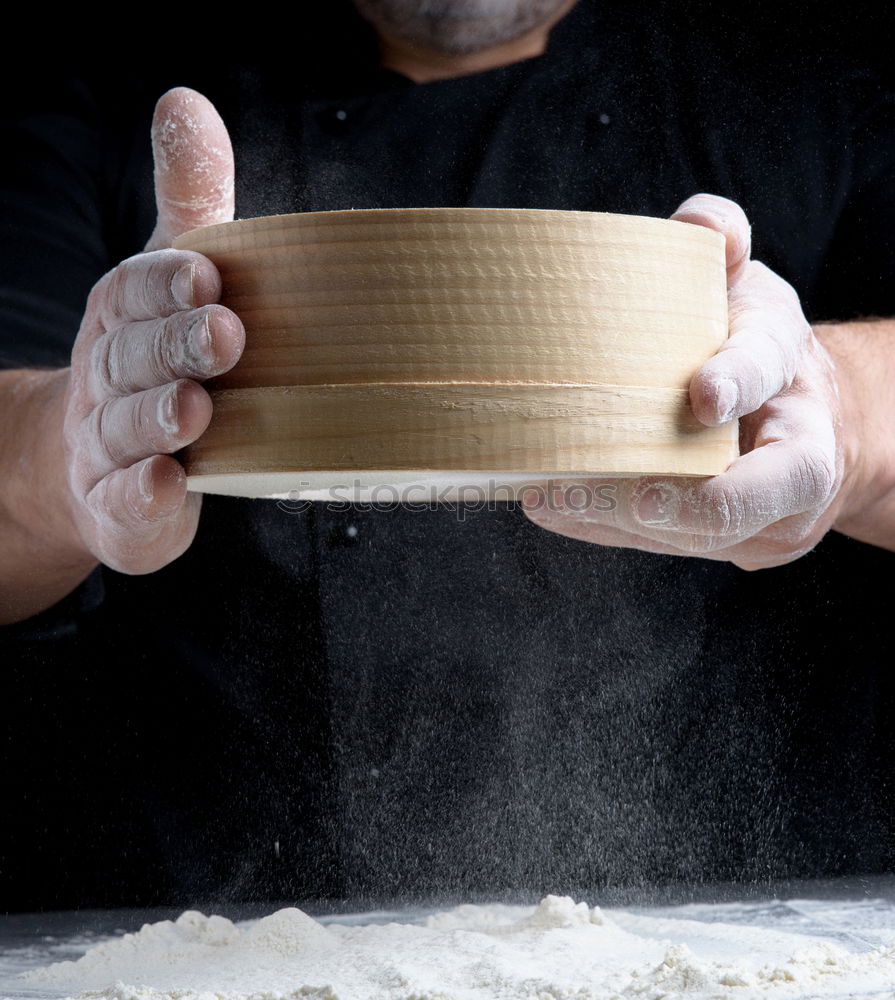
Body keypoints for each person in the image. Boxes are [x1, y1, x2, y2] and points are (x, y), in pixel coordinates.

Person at [2, 1, 894, 910]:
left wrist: (844, 406)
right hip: (195, 924)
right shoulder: (89, 82)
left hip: (758, 918)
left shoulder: (820, 73)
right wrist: (76, 444)